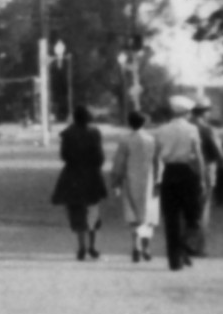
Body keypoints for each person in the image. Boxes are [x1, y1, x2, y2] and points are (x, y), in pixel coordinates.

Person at [154, 95, 205, 271]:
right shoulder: (192, 130)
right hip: (187, 173)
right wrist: (202, 178)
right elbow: (198, 156)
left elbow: (156, 158)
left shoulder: (161, 130)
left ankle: (174, 259)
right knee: (193, 216)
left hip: (168, 173)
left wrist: (155, 179)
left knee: (171, 218)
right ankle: (183, 247)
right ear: (186, 113)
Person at [52, 105, 109, 261]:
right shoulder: (94, 133)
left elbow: (63, 156)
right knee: (93, 210)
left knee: (76, 211)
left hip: (72, 175)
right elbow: (100, 157)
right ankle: (93, 246)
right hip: (92, 176)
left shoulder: (68, 134)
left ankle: (81, 247)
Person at [109, 111, 161, 263]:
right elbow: (158, 162)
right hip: (150, 180)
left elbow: (119, 162)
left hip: (130, 180)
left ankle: (136, 245)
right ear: (144, 123)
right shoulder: (152, 139)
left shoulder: (125, 140)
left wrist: (115, 180)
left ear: (129, 123)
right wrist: (159, 179)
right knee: (148, 216)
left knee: (134, 215)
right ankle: (146, 247)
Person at [189, 97, 223, 256]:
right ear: (206, 112)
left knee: (186, 209)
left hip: (185, 170)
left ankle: (185, 243)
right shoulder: (208, 129)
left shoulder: (186, 127)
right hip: (205, 171)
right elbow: (219, 153)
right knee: (203, 210)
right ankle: (199, 247)